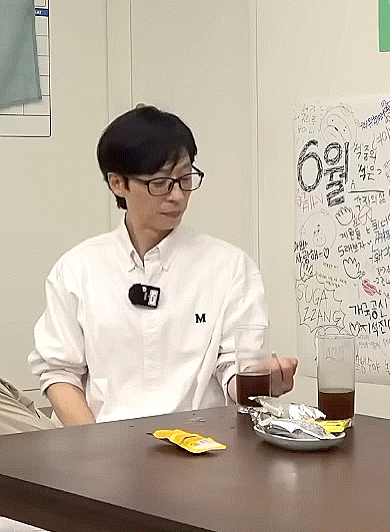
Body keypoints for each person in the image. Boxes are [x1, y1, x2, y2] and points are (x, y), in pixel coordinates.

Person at [29, 106, 298, 425]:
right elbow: (59, 371)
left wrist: (262, 382)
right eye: (160, 183)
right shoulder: (77, 270)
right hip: (106, 444)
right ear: (118, 183)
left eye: (185, 179)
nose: (177, 196)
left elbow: (235, 372)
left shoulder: (229, 267)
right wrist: (92, 446)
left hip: (204, 444)